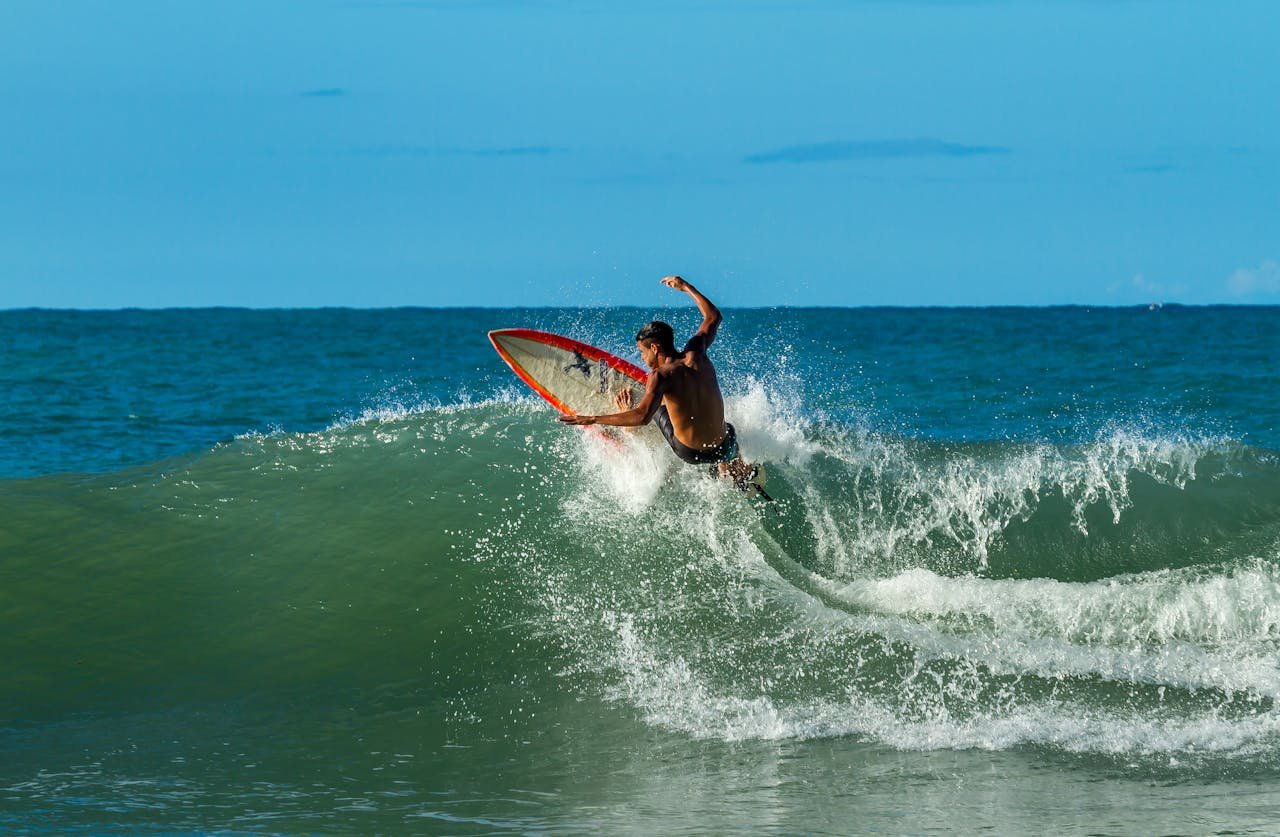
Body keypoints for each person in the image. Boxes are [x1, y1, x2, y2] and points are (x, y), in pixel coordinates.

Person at [558, 276, 763, 493]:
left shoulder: (660, 376)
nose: (642, 358)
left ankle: (630, 432)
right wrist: (686, 287)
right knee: (728, 429)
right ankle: (734, 469)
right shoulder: (697, 352)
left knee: (655, 407)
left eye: (642, 352)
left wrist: (592, 418)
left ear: (654, 348)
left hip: (689, 452)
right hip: (722, 447)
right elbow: (713, 316)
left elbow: (642, 417)